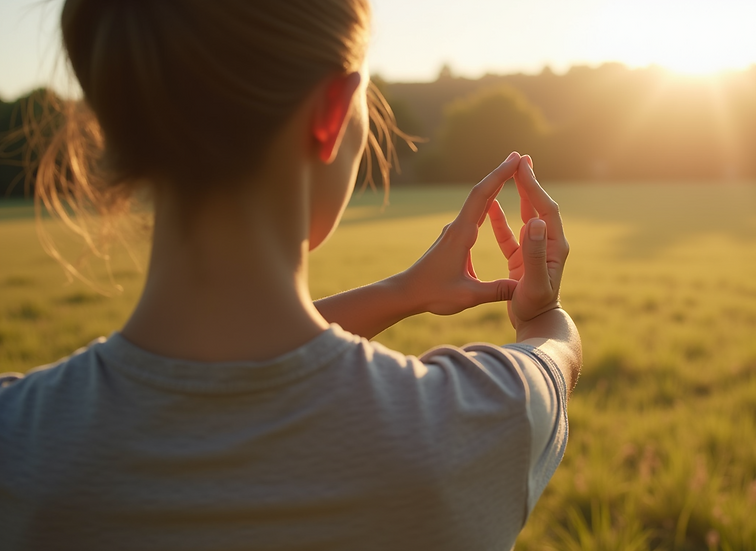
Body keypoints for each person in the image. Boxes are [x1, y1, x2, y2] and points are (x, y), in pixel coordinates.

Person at [0, 1, 581, 550]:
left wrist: (402, 293)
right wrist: (541, 314)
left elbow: (214, 382)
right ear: (331, 115)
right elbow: (553, 356)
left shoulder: (20, 441)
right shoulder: (464, 426)